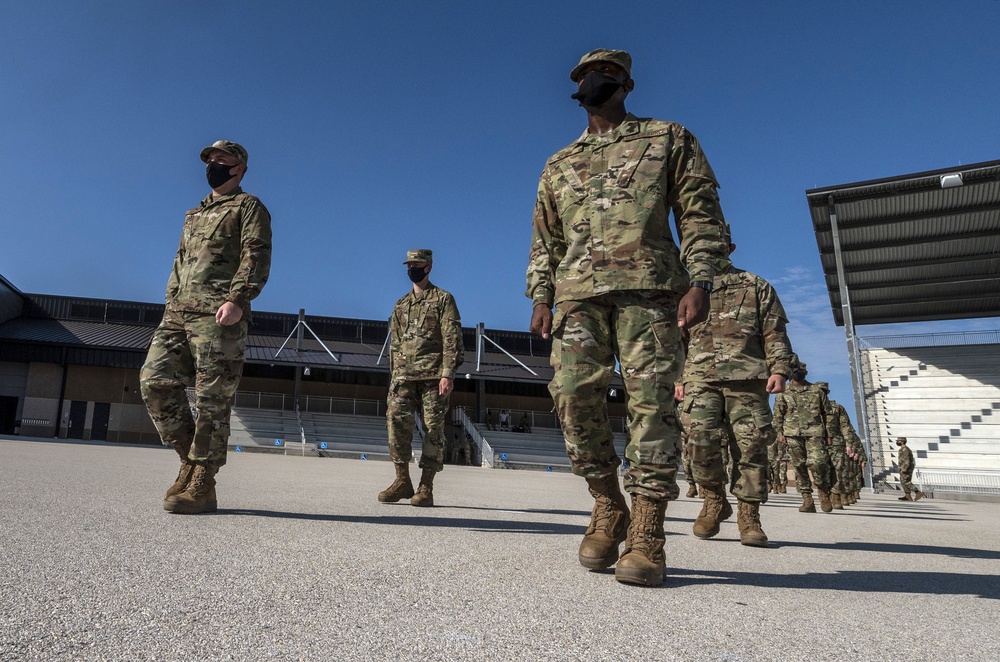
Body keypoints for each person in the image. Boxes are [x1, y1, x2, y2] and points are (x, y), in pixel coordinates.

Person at [525, 48, 729, 586]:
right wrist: (541, 295)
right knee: (570, 395)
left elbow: (699, 213)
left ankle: (647, 530)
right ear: (577, 86)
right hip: (577, 298)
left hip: (652, 292)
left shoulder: (668, 138)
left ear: (627, 83)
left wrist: (702, 279)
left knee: (654, 405)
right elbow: (544, 241)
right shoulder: (559, 163)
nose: (598, 80)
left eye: (609, 74)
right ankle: (607, 502)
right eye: (589, 75)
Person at [140, 139, 272, 514]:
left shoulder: (249, 207)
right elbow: (180, 261)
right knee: (154, 382)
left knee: (212, 398)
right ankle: (188, 459)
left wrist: (238, 299)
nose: (213, 163)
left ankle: (203, 481)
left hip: (219, 314)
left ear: (239, 168)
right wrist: (170, 300)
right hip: (178, 313)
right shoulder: (193, 214)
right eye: (210, 159)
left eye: (221, 159)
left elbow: (256, 255)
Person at [676, 224, 793, 547]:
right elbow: (676, 341)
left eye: (718, 245)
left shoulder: (756, 286)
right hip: (699, 377)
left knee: (752, 446)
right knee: (698, 440)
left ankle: (749, 514)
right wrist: (678, 379)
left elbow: (775, 333)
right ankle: (713, 499)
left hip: (748, 378)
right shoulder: (684, 290)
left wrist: (780, 369)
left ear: (730, 248)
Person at [378, 249, 464, 507]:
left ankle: (426, 486)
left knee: (433, 428)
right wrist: (394, 376)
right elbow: (395, 343)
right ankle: (402, 481)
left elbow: (452, 338)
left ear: (428, 267)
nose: (411, 268)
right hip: (403, 376)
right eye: (409, 264)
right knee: (395, 421)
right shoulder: (401, 304)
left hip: (433, 376)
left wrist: (448, 373)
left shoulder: (443, 299)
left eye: (417, 264)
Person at [773, 357, 835, 513]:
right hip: (792, 433)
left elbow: (828, 414)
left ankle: (823, 492)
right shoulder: (783, 392)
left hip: (815, 432)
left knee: (818, 463)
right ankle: (807, 499)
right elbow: (778, 415)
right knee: (799, 466)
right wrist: (779, 433)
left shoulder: (816, 391)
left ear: (805, 373)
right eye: (794, 371)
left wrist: (830, 434)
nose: (796, 374)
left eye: (799, 372)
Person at [896, 437, 925, 501]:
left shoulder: (905, 449)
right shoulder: (903, 449)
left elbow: (907, 459)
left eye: (898, 441)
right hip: (903, 466)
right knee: (902, 481)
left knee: (905, 481)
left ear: (902, 442)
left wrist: (905, 468)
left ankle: (918, 492)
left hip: (907, 467)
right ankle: (907, 496)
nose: (897, 442)